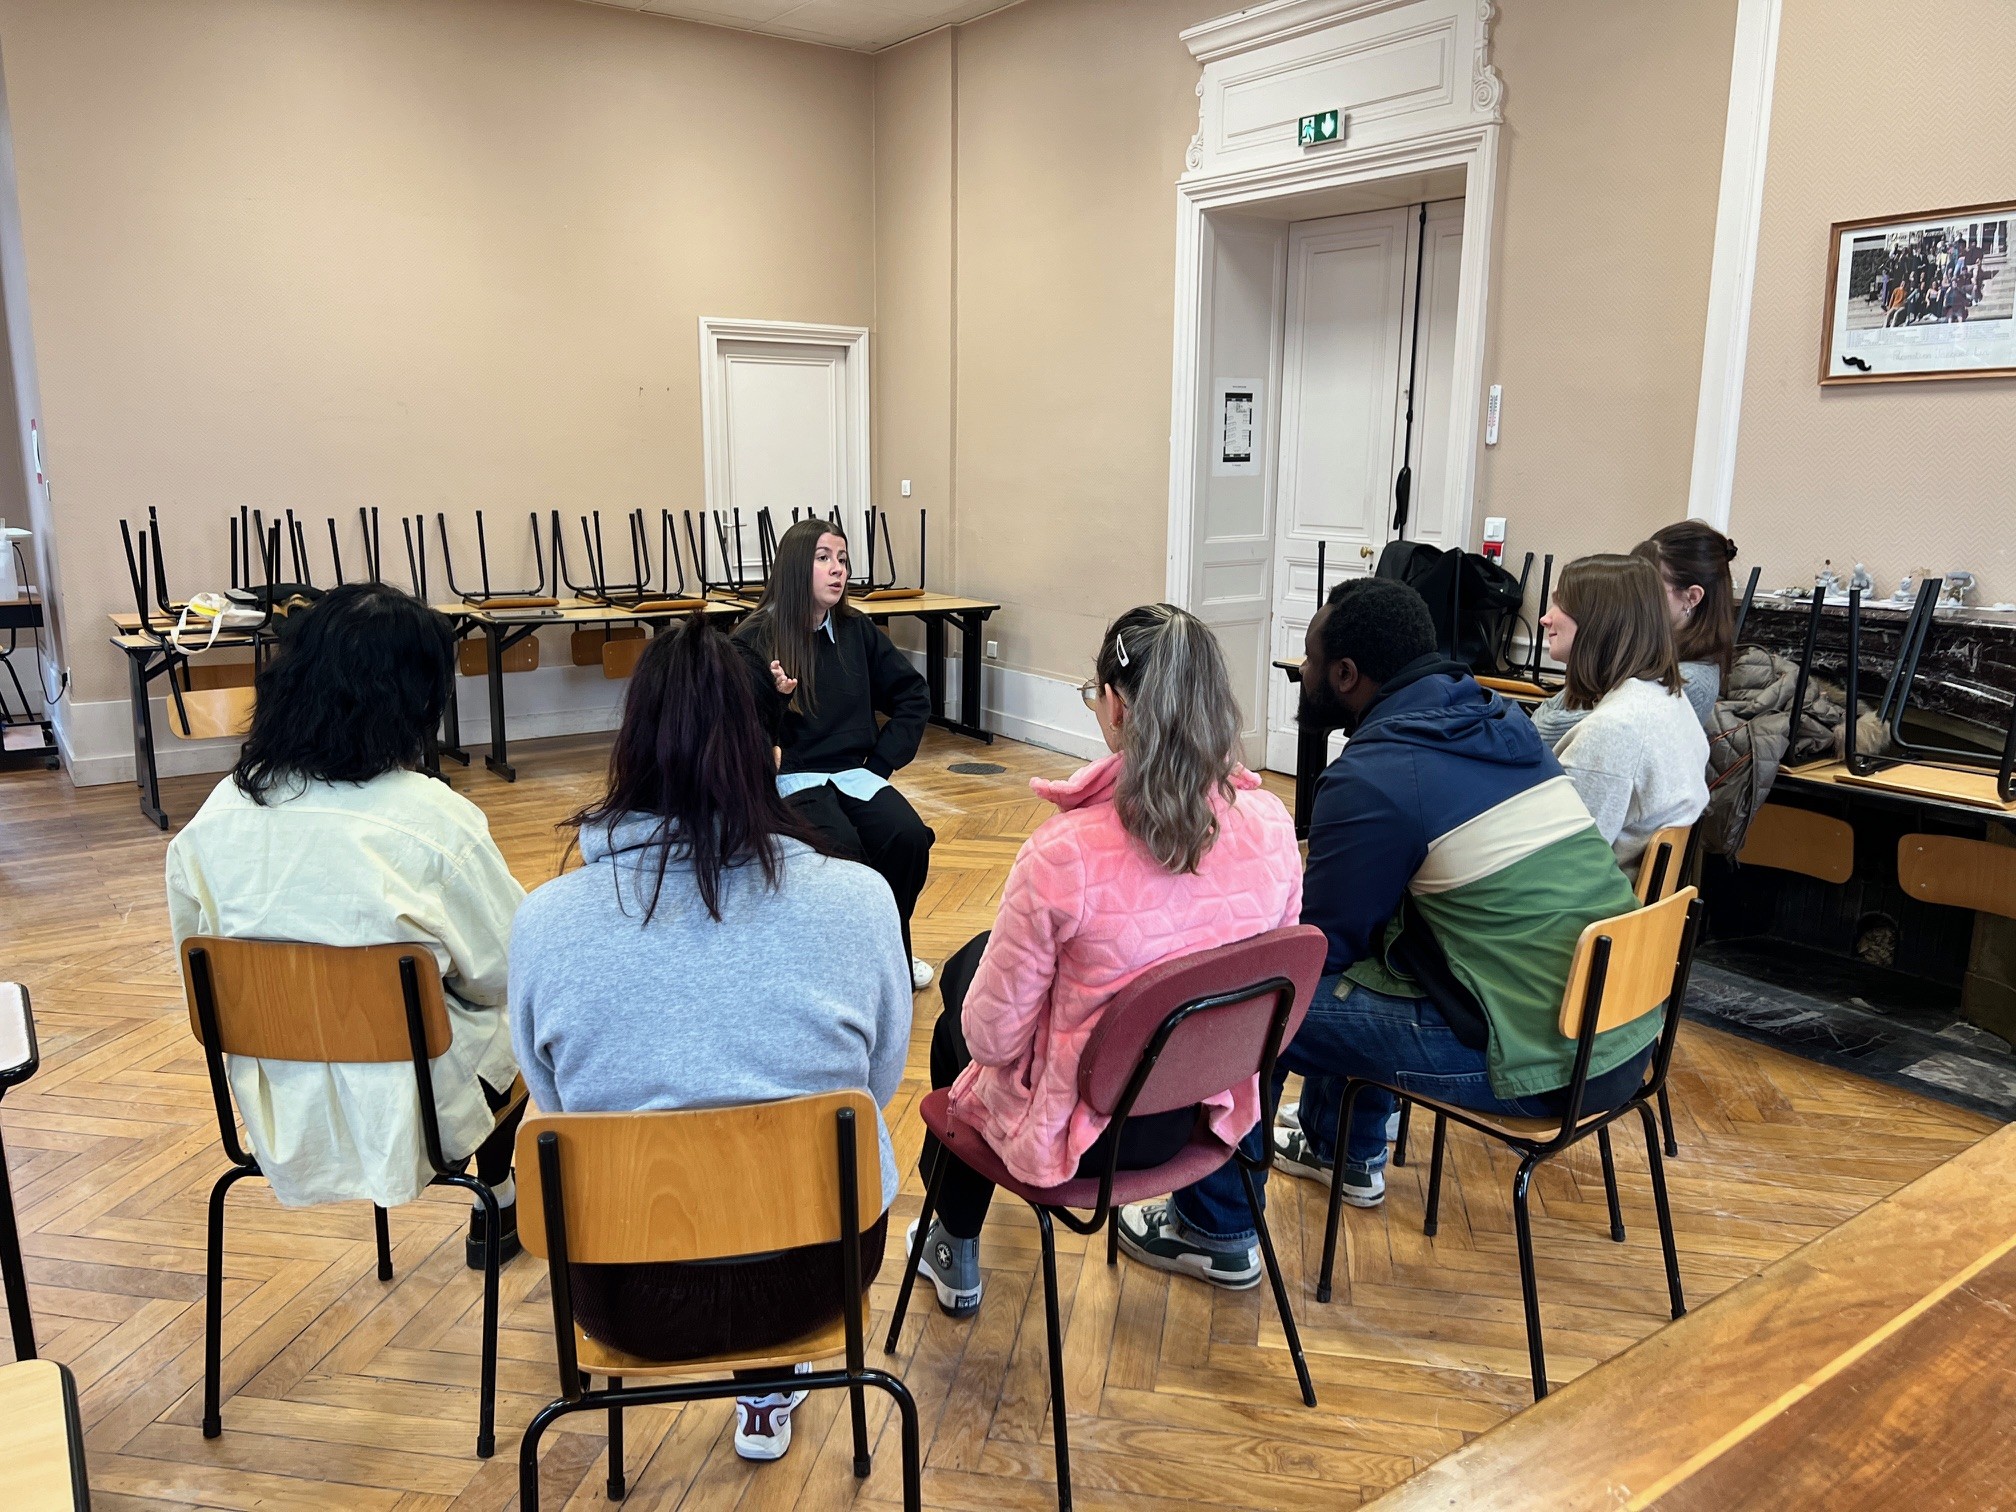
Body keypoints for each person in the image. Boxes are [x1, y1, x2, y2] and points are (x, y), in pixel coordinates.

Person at [1113, 578, 1655, 1288]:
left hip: (1544, 1063)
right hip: (1624, 1031)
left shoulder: (1376, 776)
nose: (1303, 671)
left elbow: (1320, 951)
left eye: (1310, 660)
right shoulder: (1503, 722)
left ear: (1345, 675)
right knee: (1380, 945)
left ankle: (1216, 1229)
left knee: (1250, 1007)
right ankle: (1344, 1150)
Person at [510, 615, 911, 1464]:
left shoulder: (545, 921)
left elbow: (556, 1102)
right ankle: (770, 1381)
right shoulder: (862, 901)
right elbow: (874, 1089)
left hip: (624, 1291)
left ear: (631, 751)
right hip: (818, 1274)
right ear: (774, 752)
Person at [909, 605, 1301, 1311]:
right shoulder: (1273, 825)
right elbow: (1270, 982)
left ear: (1117, 706)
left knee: (957, 1022)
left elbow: (991, 1042)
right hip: (1202, 1112)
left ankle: (952, 1240)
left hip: (1083, 1138)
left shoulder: (1063, 855)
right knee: (978, 961)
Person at [165, 582, 525, 1266]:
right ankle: (498, 1198)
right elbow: (504, 971)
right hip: (417, 1109)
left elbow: (199, 968)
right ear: (417, 699)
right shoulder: (434, 821)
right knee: (517, 1017)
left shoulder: (215, 817)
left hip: (280, 1107)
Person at [733, 518, 938, 990]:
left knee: (907, 837)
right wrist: (775, 699)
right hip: (789, 779)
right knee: (842, 850)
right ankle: (837, 968)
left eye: (842, 559)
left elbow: (913, 696)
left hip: (855, 774)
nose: (837, 569)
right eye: (823, 558)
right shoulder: (753, 637)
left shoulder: (856, 630)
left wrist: (880, 765)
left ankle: (889, 952)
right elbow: (736, 727)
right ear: (794, 567)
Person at [1540, 554, 1710, 869]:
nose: (1545, 619)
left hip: (1596, 897)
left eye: (1560, 605)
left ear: (1600, 620)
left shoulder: (1613, 729)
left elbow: (1563, 863)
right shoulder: (1667, 698)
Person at [1531, 522, 1735, 748]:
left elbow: (1549, 731)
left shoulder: (1690, 681)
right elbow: (1546, 717)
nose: (1634, 598)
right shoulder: (1646, 655)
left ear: (1692, 597)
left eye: (1649, 589)